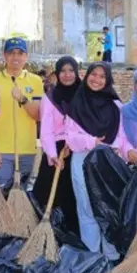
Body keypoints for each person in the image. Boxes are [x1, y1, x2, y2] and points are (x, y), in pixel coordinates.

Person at [65, 62, 129, 259]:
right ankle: (91, 258)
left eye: (102, 76)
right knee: (86, 208)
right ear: (87, 76)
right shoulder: (76, 103)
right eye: (94, 75)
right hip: (83, 161)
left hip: (107, 162)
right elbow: (70, 137)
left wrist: (119, 152)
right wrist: (90, 141)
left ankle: (111, 256)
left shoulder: (116, 106)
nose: (97, 80)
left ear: (107, 80)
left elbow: (122, 137)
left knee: (108, 209)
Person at [0, 38, 44, 190]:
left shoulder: (35, 81)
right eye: (11, 53)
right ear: (4, 55)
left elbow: (38, 115)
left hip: (27, 149)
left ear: (26, 56)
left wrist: (22, 99)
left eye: (20, 53)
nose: (16, 57)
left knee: (21, 196)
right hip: (1, 150)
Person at [36, 55, 81, 235]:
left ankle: (74, 236)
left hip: (77, 150)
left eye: (71, 71)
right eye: (62, 71)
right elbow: (46, 129)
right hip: (56, 151)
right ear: (57, 73)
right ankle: (50, 235)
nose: (67, 75)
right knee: (47, 194)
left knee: (75, 195)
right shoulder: (50, 97)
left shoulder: (83, 94)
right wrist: (52, 155)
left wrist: (74, 142)